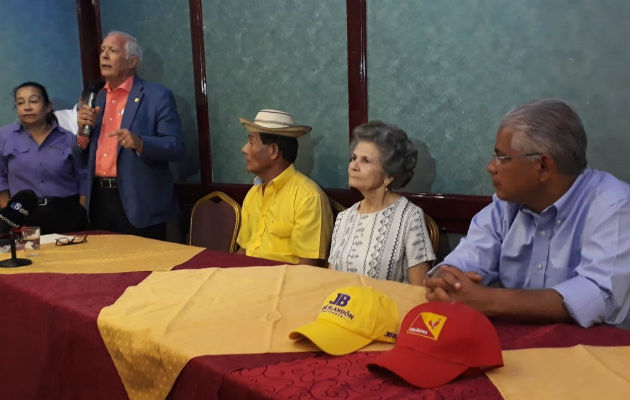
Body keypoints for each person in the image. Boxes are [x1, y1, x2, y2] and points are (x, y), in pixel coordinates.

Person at [425, 99, 630, 328]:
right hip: (519, 347)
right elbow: (468, 258)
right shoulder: (506, 205)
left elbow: (599, 295)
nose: (490, 167)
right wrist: (447, 278)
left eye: (501, 157)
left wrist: (490, 301)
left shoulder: (614, 206)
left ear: (543, 166)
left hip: (596, 354)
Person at [76, 31, 184, 240]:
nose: (104, 56)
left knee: (143, 269)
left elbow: (175, 146)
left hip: (139, 204)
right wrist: (81, 132)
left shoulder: (157, 96)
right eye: (102, 51)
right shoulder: (95, 97)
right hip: (99, 200)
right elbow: (80, 157)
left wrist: (140, 142)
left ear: (132, 61)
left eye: (112, 51)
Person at [328, 121, 435, 284]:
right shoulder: (344, 218)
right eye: (354, 158)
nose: (353, 166)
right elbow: (331, 279)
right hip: (343, 306)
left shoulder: (409, 216)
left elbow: (419, 289)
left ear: (388, 176)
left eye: (365, 161)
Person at [236, 109, 333, 265]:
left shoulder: (307, 197)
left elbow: (308, 268)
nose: (244, 149)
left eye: (251, 142)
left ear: (273, 150)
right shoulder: (253, 193)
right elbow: (244, 250)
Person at [0, 81, 87, 234]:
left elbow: (83, 177)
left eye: (33, 101)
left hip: (66, 214)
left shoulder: (68, 139)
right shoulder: (5, 137)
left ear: (48, 107)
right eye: (21, 103)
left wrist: (80, 210)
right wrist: (8, 213)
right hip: (23, 216)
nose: (27, 107)